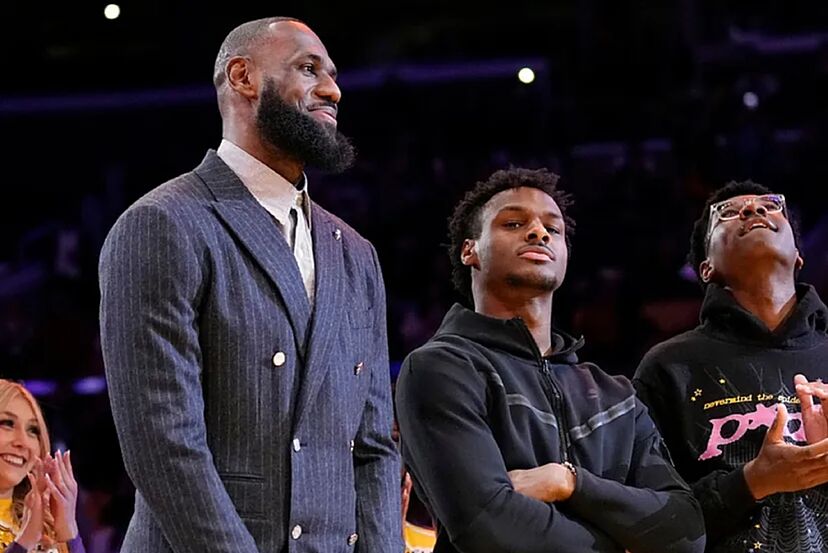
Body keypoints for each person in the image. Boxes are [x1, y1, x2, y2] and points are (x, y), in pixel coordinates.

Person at [98, 16, 401, 552]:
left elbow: (373, 447)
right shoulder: (163, 222)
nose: (332, 89)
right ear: (242, 77)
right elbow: (164, 444)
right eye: (308, 69)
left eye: (331, 74)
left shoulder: (357, 253)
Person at [395, 167, 706, 552]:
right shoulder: (440, 368)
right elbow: (490, 527)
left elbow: (685, 532)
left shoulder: (616, 395)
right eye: (513, 222)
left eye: (553, 229)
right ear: (469, 249)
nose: (539, 232)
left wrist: (571, 483)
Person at [634, 181, 828, 552]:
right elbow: (646, 521)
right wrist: (751, 481)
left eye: (771, 207)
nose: (754, 211)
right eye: (727, 213)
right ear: (706, 268)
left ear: (799, 256)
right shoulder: (669, 367)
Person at [0, 380, 84, 553]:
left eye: (33, 430)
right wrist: (25, 541)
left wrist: (68, 530)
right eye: (7, 424)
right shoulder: (31, 530)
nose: (23, 442)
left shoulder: (46, 527)